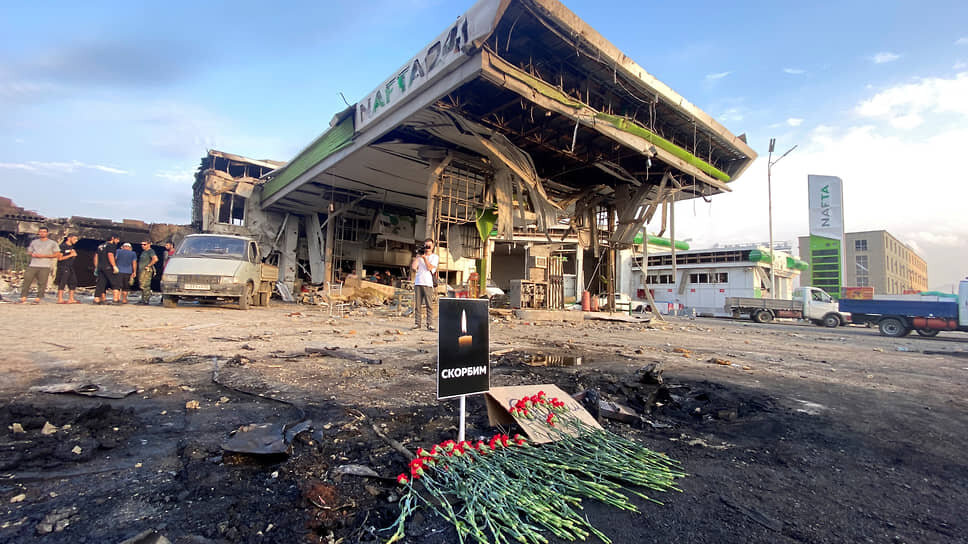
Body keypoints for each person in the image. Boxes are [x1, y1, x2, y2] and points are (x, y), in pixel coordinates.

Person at [19, 227, 61, 303]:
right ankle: (23, 297)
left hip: (45, 265)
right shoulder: (34, 242)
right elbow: (29, 251)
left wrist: (44, 256)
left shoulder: (52, 243)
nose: (42, 233)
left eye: (44, 232)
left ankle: (39, 298)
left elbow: (57, 254)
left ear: (47, 233)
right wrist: (32, 254)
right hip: (33, 264)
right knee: (27, 280)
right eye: (41, 232)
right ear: (38, 233)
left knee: (42, 283)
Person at [410, 238, 439, 330]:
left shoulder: (434, 257)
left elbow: (429, 268)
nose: (427, 247)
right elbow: (414, 267)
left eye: (429, 246)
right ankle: (417, 323)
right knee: (417, 305)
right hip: (418, 282)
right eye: (426, 245)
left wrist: (424, 258)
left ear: (432, 246)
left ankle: (430, 324)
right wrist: (418, 256)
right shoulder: (420, 256)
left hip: (428, 283)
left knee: (429, 305)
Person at [94, 234, 121, 304]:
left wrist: (96, 267)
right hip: (108, 266)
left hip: (100, 267)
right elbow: (110, 255)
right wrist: (114, 266)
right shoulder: (111, 245)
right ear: (113, 238)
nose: (118, 241)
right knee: (115, 282)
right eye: (117, 239)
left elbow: (96, 256)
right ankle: (115, 299)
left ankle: (97, 299)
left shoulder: (100, 246)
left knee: (101, 283)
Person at [55, 235, 80, 304]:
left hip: (70, 266)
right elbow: (60, 258)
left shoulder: (71, 247)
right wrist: (71, 255)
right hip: (63, 266)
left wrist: (74, 255)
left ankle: (71, 298)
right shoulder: (62, 246)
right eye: (74, 239)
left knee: (73, 281)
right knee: (63, 282)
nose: (76, 240)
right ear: (69, 238)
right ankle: (60, 299)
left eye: (76, 239)